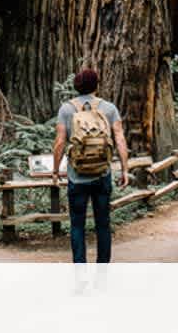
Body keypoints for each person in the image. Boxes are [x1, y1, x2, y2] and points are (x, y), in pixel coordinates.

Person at [52, 68, 130, 263]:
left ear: (76, 86)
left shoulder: (66, 109)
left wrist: (55, 171)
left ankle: (80, 277)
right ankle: (102, 277)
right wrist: (125, 169)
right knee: (103, 225)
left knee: (77, 226)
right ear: (97, 85)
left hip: (76, 177)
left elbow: (60, 142)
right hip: (102, 175)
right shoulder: (109, 108)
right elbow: (120, 139)